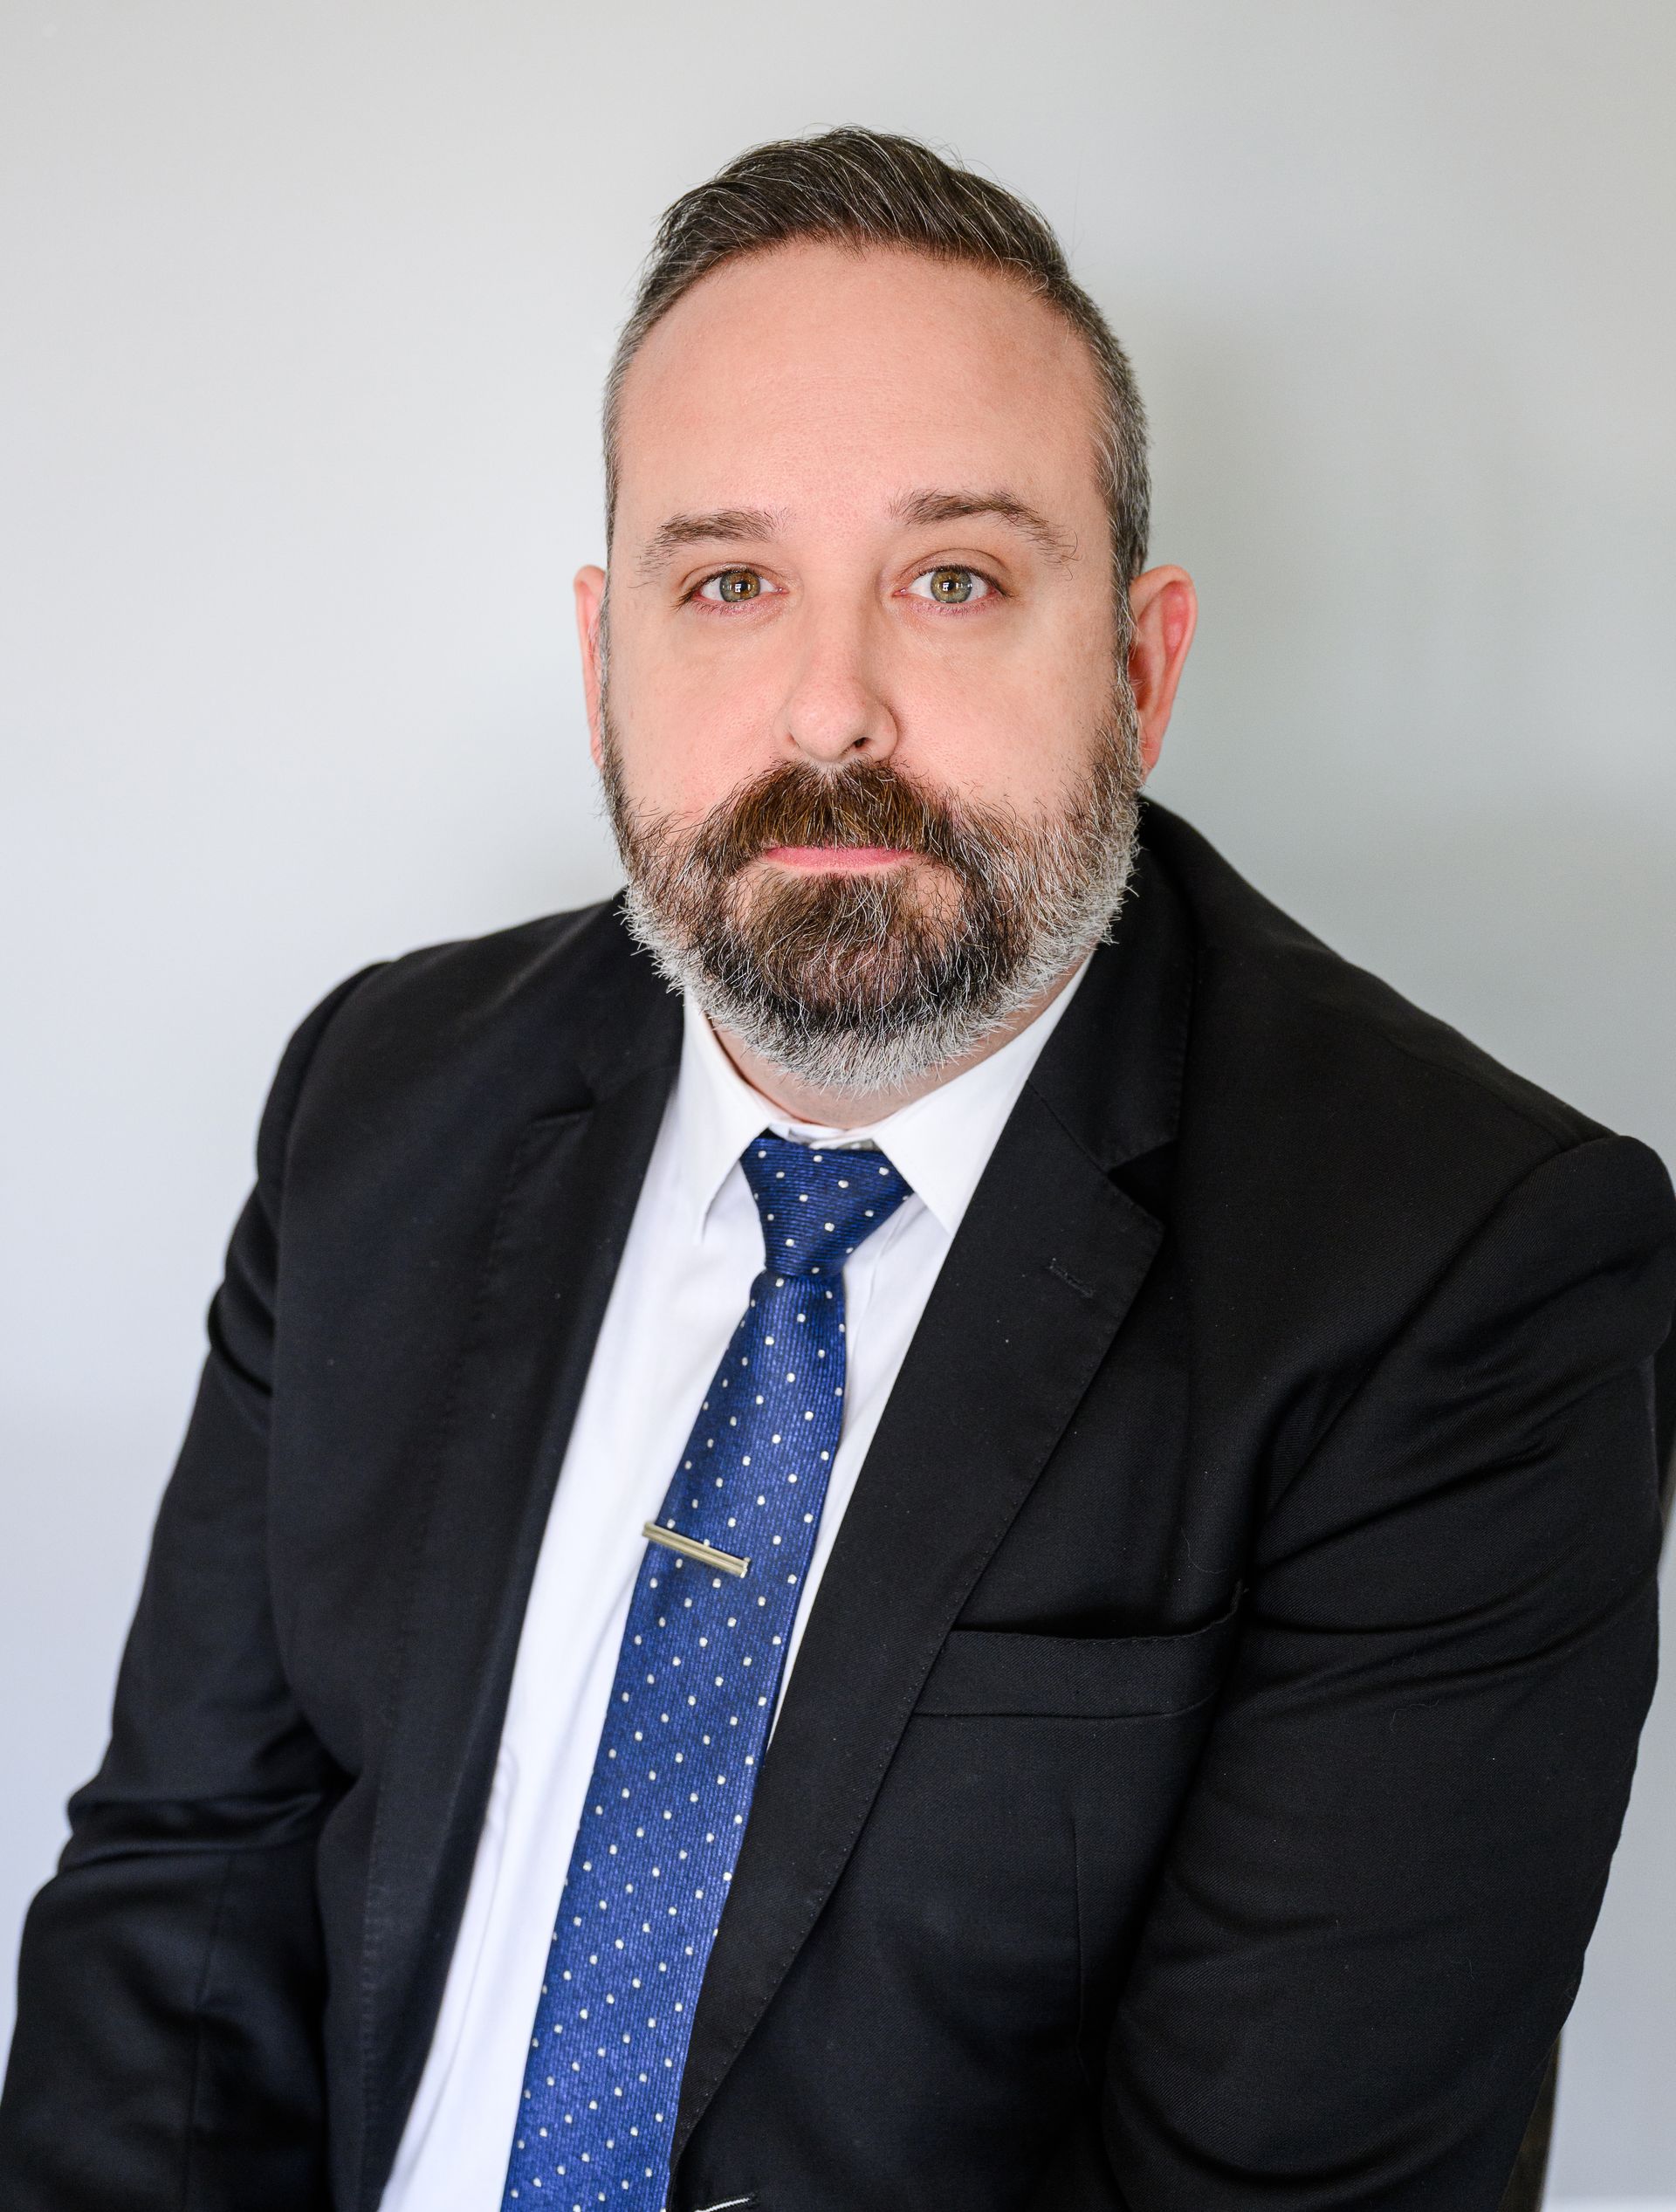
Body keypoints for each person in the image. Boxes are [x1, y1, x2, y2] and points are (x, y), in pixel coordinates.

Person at [2, 126, 1673, 2212]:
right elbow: (181, 1906)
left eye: (954, 578)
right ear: (608, 653)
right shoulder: (383, 1098)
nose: (831, 709)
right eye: (729, 583)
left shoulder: (1461, 1277)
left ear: (1141, 671)